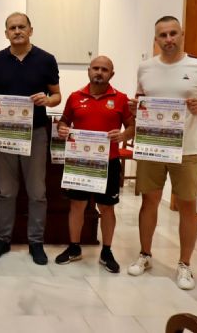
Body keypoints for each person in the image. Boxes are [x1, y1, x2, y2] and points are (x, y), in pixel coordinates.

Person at [127, 16, 197, 290]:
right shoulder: (145, 67)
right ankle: (145, 255)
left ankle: (185, 264)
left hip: (186, 149)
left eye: (173, 34)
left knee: (188, 205)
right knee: (149, 201)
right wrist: (135, 109)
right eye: (162, 35)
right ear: (156, 39)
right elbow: (140, 98)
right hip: (152, 145)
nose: (168, 39)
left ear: (181, 34)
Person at [0, 12, 61, 265]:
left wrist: (48, 100)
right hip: (3, 133)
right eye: (12, 28)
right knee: (6, 191)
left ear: (30, 30)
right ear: (6, 33)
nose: (17, 31)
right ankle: (2, 239)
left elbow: (57, 95)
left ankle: (35, 242)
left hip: (36, 133)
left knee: (37, 191)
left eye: (21, 27)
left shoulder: (46, 60)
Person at [54, 56, 135, 273]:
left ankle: (107, 251)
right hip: (80, 161)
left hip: (108, 162)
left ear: (112, 74)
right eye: (96, 68)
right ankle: (74, 248)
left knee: (106, 208)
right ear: (89, 71)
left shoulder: (121, 99)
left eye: (104, 69)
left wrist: (123, 135)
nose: (99, 72)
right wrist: (62, 129)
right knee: (77, 205)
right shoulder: (74, 97)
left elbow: (131, 127)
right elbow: (64, 122)